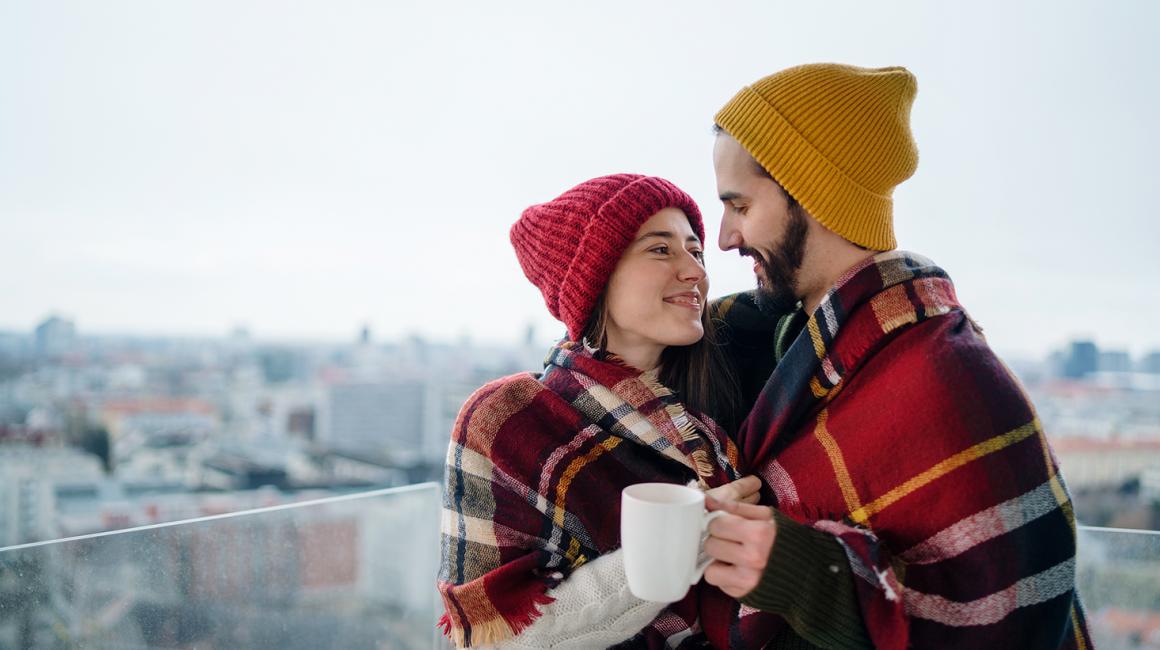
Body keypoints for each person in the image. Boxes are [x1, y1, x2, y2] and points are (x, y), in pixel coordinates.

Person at [700, 63, 1094, 648]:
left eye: (740, 206)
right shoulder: (775, 339)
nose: (725, 237)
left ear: (812, 195)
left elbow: (1013, 615)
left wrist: (810, 575)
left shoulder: (948, 378)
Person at [437, 174, 763, 649]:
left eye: (695, 251)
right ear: (597, 274)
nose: (694, 271)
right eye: (660, 249)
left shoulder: (721, 398)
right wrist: (690, 534)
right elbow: (500, 639)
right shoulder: (507, 421)